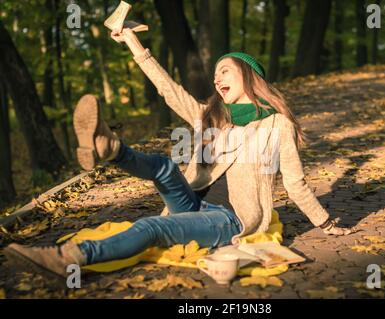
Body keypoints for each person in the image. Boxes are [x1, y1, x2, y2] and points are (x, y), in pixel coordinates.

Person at [4, 26, 353, 278]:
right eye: (215, 74)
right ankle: (109, 147)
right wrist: (135, 44)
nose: (217, 79)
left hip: (229, 220)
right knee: (164, 168)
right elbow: (169, 91)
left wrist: (325, 222)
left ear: (248, 75)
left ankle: (69, 257)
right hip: (191, 203)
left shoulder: (277, 124)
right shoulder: (212, 115)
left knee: (151, 228)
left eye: (225, 71)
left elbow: (296, 183)